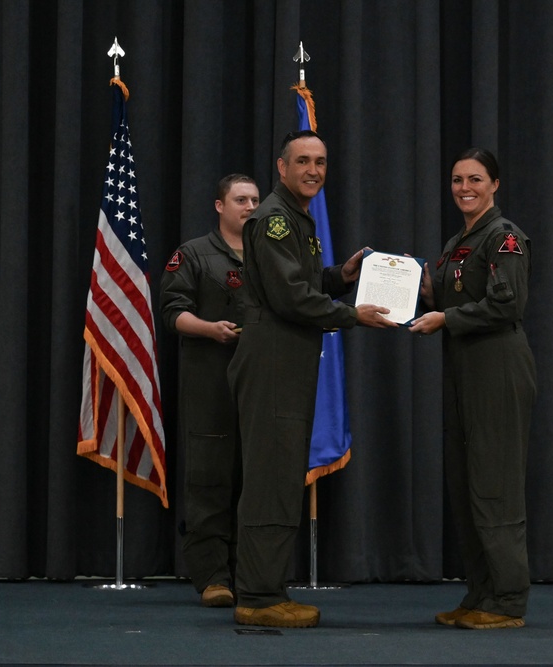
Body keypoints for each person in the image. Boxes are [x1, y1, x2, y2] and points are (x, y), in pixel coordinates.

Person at [227, 130, 395, 628]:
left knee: (279, 475)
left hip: (286, 361)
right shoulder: (276, 219)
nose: (313, 170)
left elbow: (300, 283)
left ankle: (266, 589)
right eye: (303, 161)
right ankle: (258, 597)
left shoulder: (296, 218)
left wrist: (339, 278)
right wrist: (352, 314)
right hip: (273, 361)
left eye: (320, 162)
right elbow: (289, 299)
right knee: (271, 480)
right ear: (281, 168)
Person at [409, 148, 536, 629]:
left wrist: (446, 316)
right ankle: (481, 593)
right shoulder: (458, 241)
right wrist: (418, 291)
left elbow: (507, 305)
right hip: (465, 367)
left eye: (476, 179)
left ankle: (506, 601)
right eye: (458, 179)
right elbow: (451, 293)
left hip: (498, 365)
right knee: (467, 485)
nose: (465, 187)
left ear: (495, 185)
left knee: (495, 485)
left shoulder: (503, 237)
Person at [160, 174, 261, 607]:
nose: (250, 207)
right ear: (220, 206)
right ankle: (213, 577)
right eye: (241, 199)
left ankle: (251, 574)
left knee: (255, 481)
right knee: (210, 480)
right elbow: (172, 312)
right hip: (211, 384)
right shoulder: (195, 254)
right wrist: (208, 329)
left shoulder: (271, 254)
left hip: (260, 384)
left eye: (256, 199)